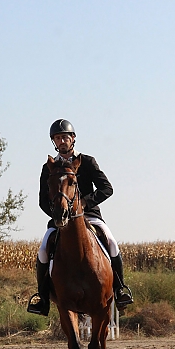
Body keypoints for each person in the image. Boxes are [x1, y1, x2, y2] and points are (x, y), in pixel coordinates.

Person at [27, 118, 133, 317]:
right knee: (43, 250)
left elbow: (106, 189)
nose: (61, 141)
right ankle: (42, 299)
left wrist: (84, 203)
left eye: (64, 137)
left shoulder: (87, 161)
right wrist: (58, 216)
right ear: (54, 142)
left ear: (73, 138)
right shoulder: (48, 167)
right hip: (60, 220)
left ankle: (120, 290)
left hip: (90, 216)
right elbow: (43, 200)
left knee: (111, 243)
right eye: (57, 138)